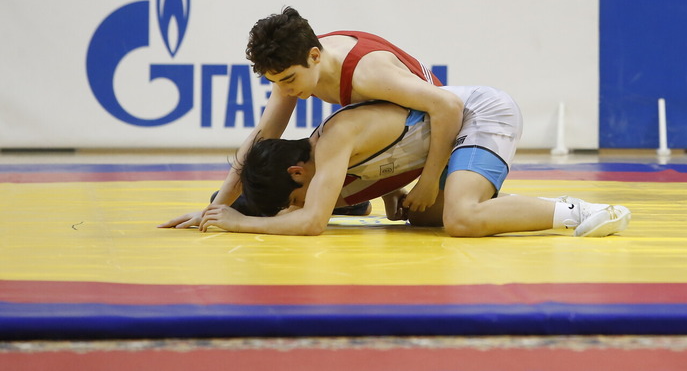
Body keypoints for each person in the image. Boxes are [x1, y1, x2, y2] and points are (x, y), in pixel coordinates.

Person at [159, 7, 462, 229]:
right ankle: (355, 200)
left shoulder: (368, 73)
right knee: (259, 190)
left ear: (315, 56)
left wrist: (429, 181)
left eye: (289, 79)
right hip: (395, 141)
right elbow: (261, 138)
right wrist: (214, 209)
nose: (285, 90)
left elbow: (447, 108)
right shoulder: (296, 62)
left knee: (325, 163)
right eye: (276, 82)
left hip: (436, 136)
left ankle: (356, 199)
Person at [197, 84, 632, 239]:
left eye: (294, 196)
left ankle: (582, 211)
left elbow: (310, 221)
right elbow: (326, 207)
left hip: (477, 112)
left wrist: (240, 223)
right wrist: (220, 208)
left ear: (297, 172)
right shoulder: (324, 171)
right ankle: (506, 205)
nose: (298, 205)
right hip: (448, 135)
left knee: (461, 219)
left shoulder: (331, 142)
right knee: (422, 217)